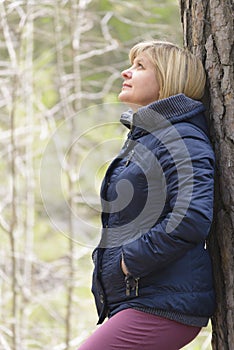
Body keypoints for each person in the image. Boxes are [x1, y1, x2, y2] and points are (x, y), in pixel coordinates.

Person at [78, 40, 216, 350]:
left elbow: (191, 218)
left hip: (163, 304)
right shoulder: (152, 137)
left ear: (168, 79)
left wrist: (129, 261)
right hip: (140, 297)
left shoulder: (182, 137)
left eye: (140, 67)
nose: (126, 72)